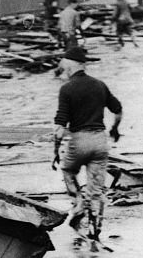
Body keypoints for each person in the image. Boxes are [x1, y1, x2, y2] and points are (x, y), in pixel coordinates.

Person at [52, 46, 123, 240]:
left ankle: (78, 202)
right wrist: (115, 129)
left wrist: (56, 151)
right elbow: (117, 110)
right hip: (100, 140)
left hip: (79, 140)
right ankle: (95, 230)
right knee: (97, 189)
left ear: (68, 65)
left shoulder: (66, 89)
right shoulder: (100, 85)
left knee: (68, 170)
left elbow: (60, 126)